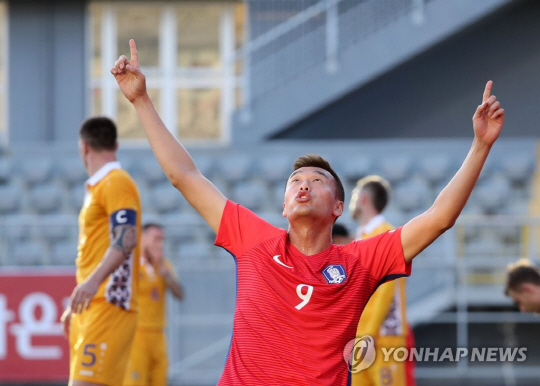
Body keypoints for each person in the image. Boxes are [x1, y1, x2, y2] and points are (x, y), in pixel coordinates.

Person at [111, 39, 504, 385]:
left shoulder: (360, 261)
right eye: (295, 180)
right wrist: (141, 100)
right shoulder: (254, 240)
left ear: (337, 207)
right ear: (284, 205)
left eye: (317, 180)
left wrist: (480, 147)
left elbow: (439, 218)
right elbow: (184, 175)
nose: (303, 184)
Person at [61, 117, 141, 386]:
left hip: (109, 303)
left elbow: (127, 237)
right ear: (115, 144)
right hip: (92, 307)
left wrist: (92, 283)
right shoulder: (101, 186)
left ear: (83, 147)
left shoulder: (115, 181)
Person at [349, 175, 415, 386]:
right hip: (362, 336)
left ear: (364, 199)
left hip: (384, 335)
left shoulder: (386, 235)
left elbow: (386, 289)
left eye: (356, 195)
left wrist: (367, 333)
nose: (353, 200)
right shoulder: (360, 238)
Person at [124, 223, 184, 386]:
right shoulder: (132, 264)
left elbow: (180, 294)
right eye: (156, 239)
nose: (160, 244)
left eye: (162, 240)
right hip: (137, 333)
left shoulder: (164, 265)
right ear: (142, 238)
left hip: (158, 333)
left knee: (159, 380)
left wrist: (165, 274)